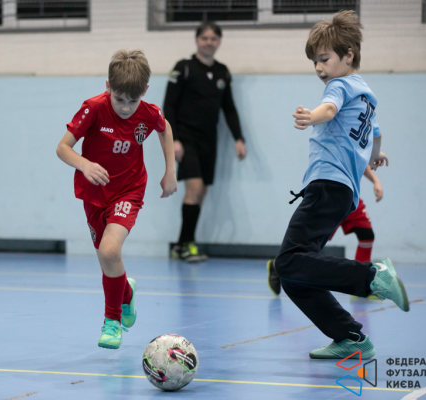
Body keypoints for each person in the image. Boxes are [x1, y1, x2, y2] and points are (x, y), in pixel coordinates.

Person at [271, 10, 409, 360]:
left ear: (348, 55)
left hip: (327, 185)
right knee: (294, 275)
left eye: (324, 59)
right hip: (343, 192)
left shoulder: (339, 86)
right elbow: (375, 134)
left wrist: (310, 116)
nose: (319, 68)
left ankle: (372, 276)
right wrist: (375, 156)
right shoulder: (366, 95)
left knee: (287, 260)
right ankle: (351, 337)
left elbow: (329, 110)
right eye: (314, 62)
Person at [56, 50, 177, 349]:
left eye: (132, 101)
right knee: (106, 258)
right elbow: (63, 148)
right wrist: (84, 164)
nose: (125, 107)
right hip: (95, 193)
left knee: (110, 250)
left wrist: (170, 171)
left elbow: (165, 129)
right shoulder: (94, 108)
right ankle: (126, 292)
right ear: (108, 86)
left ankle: (112, 322)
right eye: (119, 98)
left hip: (129, 190)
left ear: (144, 91)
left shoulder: (148, 112)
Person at [163, 21, 247, 263]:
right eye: (204, 38)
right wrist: (174, 140)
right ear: (197, 40)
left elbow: (229, 108)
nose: (209, 42)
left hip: (210, 141)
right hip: (186, 139)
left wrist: (238, 138)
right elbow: (168, 105)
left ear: (218, 42)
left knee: (201, 193)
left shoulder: (223, 72)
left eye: (213, 39)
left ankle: (181, 244)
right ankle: (187, 245)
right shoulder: (184, 67)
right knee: (195, 188)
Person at [267, 165, 383, 295]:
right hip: (333, 193)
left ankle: (365, 284)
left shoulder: (360, 153)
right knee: (311, 244)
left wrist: (375, 180)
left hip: (351, 197)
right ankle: (278, 265)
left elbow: (361, 161)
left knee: (367, 235)